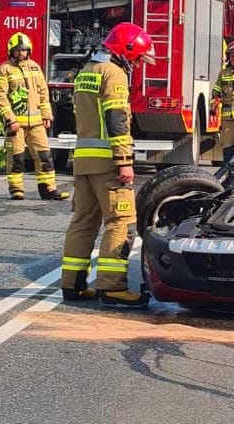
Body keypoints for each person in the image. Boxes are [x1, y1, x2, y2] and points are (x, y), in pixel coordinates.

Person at [60, 22, 155, 306]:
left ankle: (72, 284)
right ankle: (112, 287)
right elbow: (117, 119)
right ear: (126, 51)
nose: (137, 64)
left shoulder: (86, 72)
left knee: (83, 222)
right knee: (121, 222)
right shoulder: (114, 74)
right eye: (137, 58)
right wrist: (124, 160)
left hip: (84, 161)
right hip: (108, 163)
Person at [0, 32, 69, 201]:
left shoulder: (35, 68)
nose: (21, 53)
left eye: (24, 50)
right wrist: (10, 119)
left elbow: (43, 93)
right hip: (15, 124)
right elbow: (0, 98)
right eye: (18, 50)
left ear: (29, 50)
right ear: (11, 51)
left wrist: (46, 115)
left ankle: (48, 189)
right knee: (16, 158)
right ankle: (16, 189)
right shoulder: (3, 71)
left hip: (36, 123)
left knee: (44, 156)